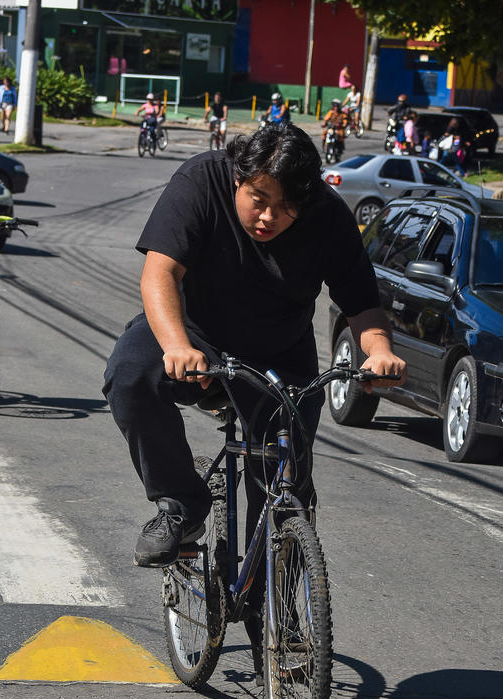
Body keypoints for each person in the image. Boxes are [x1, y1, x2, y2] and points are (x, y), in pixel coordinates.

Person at [103, 124, 407, 668]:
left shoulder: (328, 215)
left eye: (286, 208)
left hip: (278, 355)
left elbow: (362, 304)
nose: (269, 217)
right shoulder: (201, 181)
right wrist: (176, 345)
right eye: (259, 199)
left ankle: (279, 612)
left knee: (285, 488)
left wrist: (379, 351)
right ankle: (181, 505)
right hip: (190, 335)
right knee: (129, 375)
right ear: (239, 178)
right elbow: (160, 273)